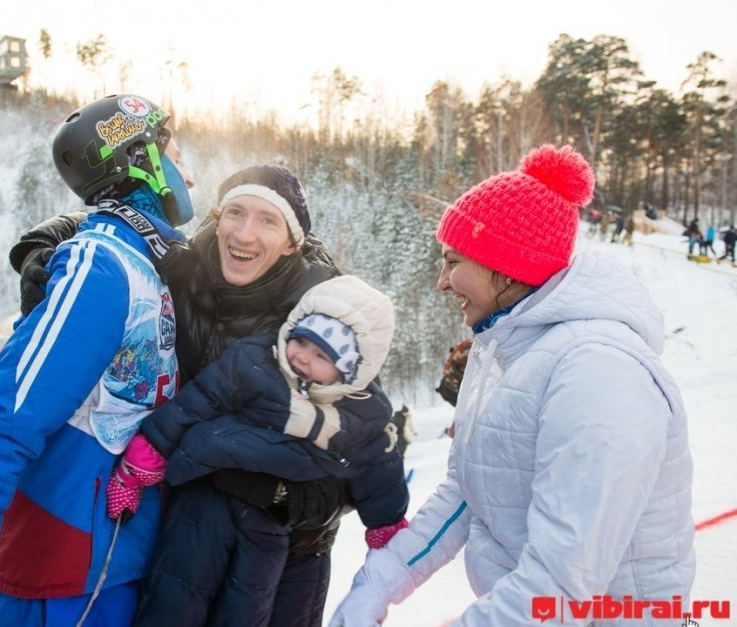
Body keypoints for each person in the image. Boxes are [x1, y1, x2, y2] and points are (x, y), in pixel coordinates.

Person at [330, 145, 694, 626]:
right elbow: (469, 489)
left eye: (453, 260)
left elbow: (560, 587)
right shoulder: (503, 346)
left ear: (506, 263)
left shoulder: (598, 373)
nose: (442, 282)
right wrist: (376, 585)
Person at [14, 164, 355, 626]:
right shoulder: (183, 267)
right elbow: (113, 223)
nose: (245, 234)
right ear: (216, 217)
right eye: (235, 212)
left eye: (268, 221)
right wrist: (42, 244)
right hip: (181, 534)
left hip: (283, 561)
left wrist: (276, 496)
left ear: (293, 242)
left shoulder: (327, 315)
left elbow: (360, 460)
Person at [0, 94, 195, 627]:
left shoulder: (145, 263)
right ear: (143, 163)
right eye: (176, 155)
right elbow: (5, 423)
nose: (189, 174)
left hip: (114, 563)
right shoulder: (100, 267)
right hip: (63, 574)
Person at [121, 275, 408, 626]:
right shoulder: (254, 362)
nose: (302, 357)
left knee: (247, 603)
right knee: (175, 593)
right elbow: (194, 405)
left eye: (321, 355)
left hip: (271, 524)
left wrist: (386, 529)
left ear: (350, 372)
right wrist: (141, 463)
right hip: (203, 504)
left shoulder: (358, 415)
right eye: (301, 341)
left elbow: (380, 473)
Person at [435, 338, 472, 437]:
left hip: (447, 386)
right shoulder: (474, 348)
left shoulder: (470, 344)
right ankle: (454, 433)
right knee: (467, 412)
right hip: (451, 389)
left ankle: (454, 432)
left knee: (466, 412)